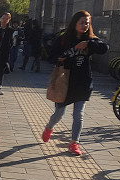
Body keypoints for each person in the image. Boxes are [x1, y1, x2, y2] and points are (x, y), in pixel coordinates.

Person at [41, 10, 108, 156]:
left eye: (87, 23)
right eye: (82, 22)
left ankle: (74, 143)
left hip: (82, 81)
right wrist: (60, 58)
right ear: (75, 23)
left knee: (79, 115)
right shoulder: (63, 39)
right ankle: (49, 127)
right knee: (59, 114)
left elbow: (104, 48)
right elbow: (50, 56)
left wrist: (88, 43)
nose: (85, 25)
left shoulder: (91, 40)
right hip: (64, 81)